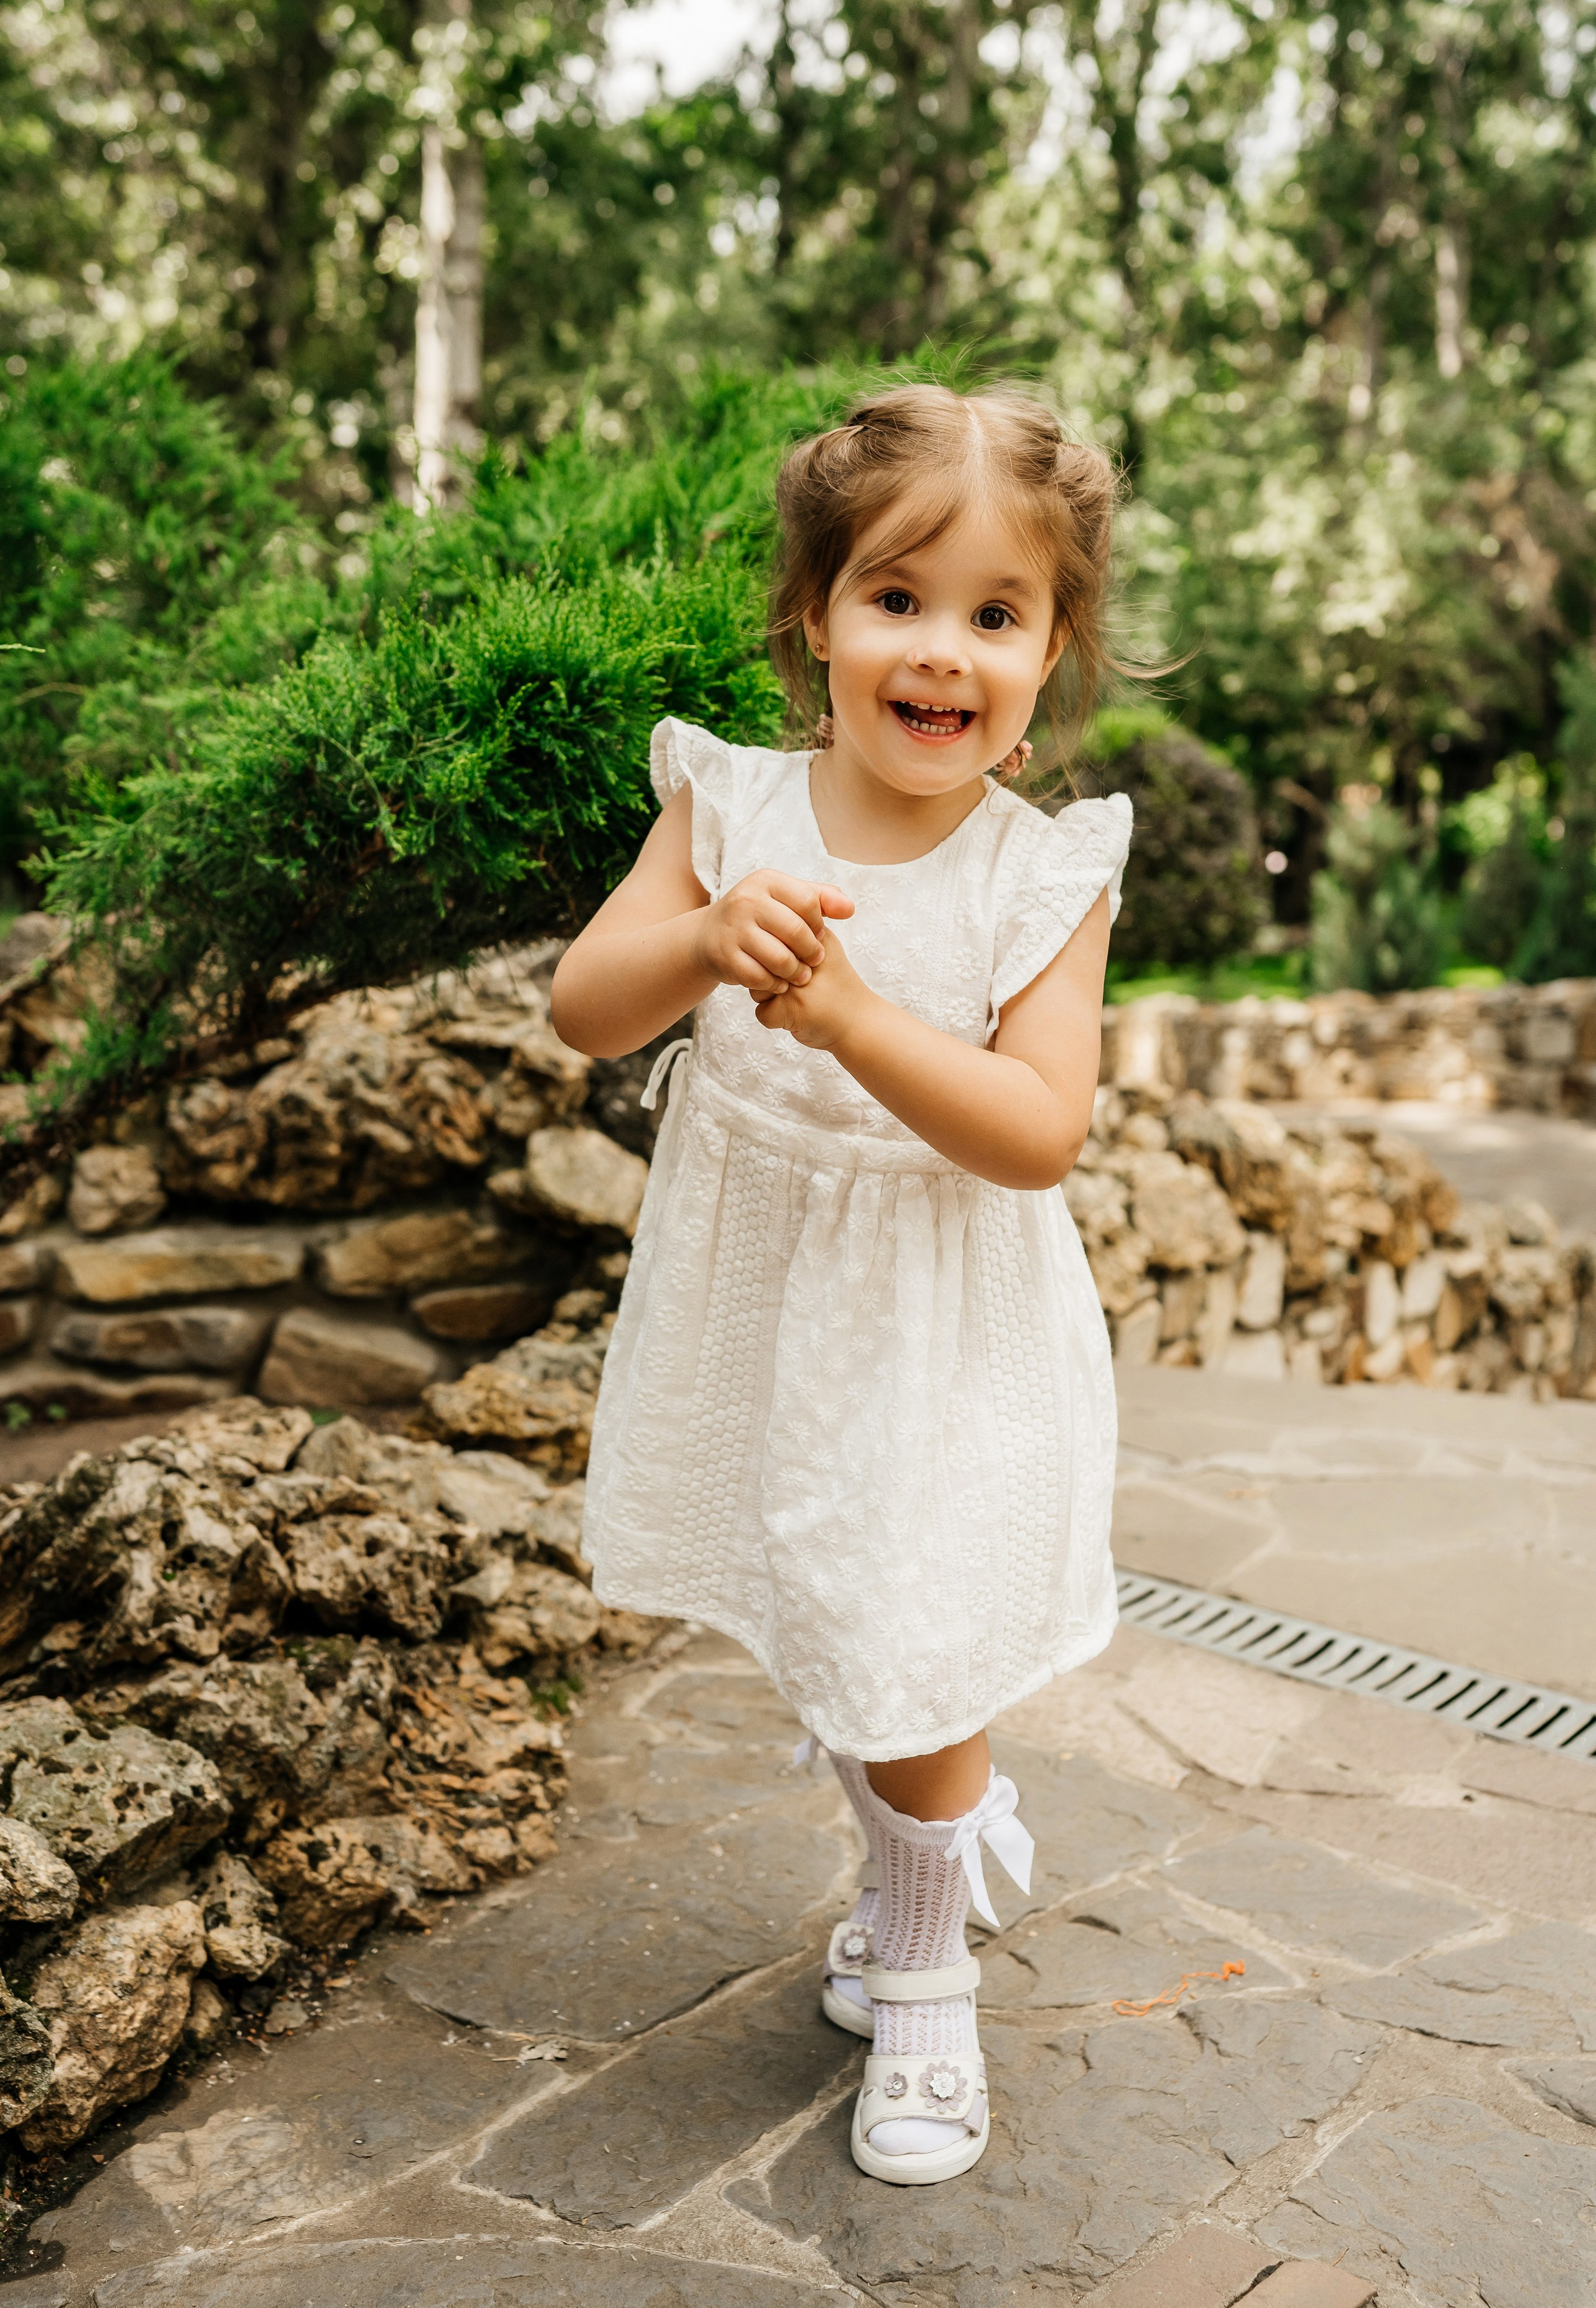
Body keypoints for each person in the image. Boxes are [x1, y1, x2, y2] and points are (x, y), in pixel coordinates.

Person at [551, 381, 1135, 2187]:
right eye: (897, 597)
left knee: (913, 1629)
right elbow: (585, 1008)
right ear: (815, 616)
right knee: (835, 1621)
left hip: (944, 1323)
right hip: (772, 1301)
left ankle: (929, 1960)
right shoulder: (729, 808)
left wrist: (860, 1017)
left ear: (1051, 649)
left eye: (994, 613)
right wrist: (702, 938)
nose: (940, 649)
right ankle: (908, 1877)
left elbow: (1036, 1131)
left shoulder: (1042, 872)